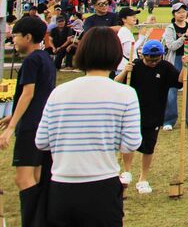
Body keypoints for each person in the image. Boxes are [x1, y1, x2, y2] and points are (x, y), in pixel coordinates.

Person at [36, 27, 141, 226]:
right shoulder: (125, 94)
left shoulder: (59, 92)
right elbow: (131, 144)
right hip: (103, 184)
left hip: (61, 185)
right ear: (116, 55)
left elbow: (41, 141)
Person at [0, 17, 56, 227]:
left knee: (23, 179)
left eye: (15, 35)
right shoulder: (46, 58)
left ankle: (32, 221)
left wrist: (11, 128)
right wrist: (13, 115)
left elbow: (28, 94)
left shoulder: (31, 60)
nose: (12, 39)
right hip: (43, 125)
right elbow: (41, 94)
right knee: (38, 176)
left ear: (28, 37)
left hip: (30, 129)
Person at [114, 40, 184, 194]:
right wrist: (125, 71)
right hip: (132, 113)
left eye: (156, 59)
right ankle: (126, 172)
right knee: (128, 144)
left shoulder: (165, 67)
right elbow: (115, 84)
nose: (153, 62)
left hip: (155, 114)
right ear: (143, 55)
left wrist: (185, 67)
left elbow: (180, 82)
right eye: (149, 59)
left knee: (149, 147)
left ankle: (143, 179)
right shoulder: (135, 67)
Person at [162, 3, 188, 130]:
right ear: (174, 14)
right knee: (171, 91)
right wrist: (185, 35)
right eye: (178, 12)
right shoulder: (170, 28)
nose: (181, 14)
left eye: (184, 11)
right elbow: (171, 46)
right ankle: (169, 120)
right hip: (174, 61)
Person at [114, 7, 138, 74]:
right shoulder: (125, 32)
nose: (134, 17)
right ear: (124, 19)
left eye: (134, 15)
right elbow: (129, 51)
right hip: (124, 68)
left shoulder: (125, 31)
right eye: (131, 16)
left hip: (124, 66)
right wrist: (142, 38)